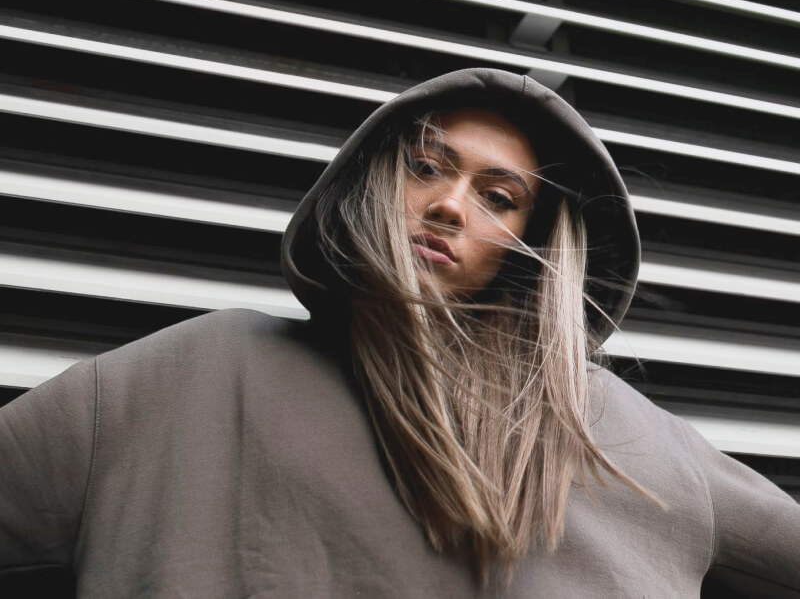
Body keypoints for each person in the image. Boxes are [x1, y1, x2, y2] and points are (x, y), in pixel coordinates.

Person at [0, 68, 798, 598]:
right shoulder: (195, 374)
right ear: (376, 181)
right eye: (426, 166)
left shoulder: (630, 438)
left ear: (530, 245)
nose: (450, 204)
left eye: (497, 197)